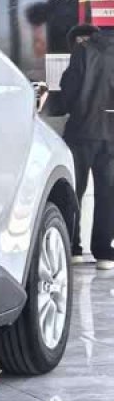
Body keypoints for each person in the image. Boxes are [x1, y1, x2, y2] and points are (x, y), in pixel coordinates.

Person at [56, 23, 114, 268]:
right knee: (108, 193)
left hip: (81, 131)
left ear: (81, 39)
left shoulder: (82, 51)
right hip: (111, 134)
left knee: (74, 191)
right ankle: (104, 253)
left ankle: (73, 249)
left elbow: (68, 93)